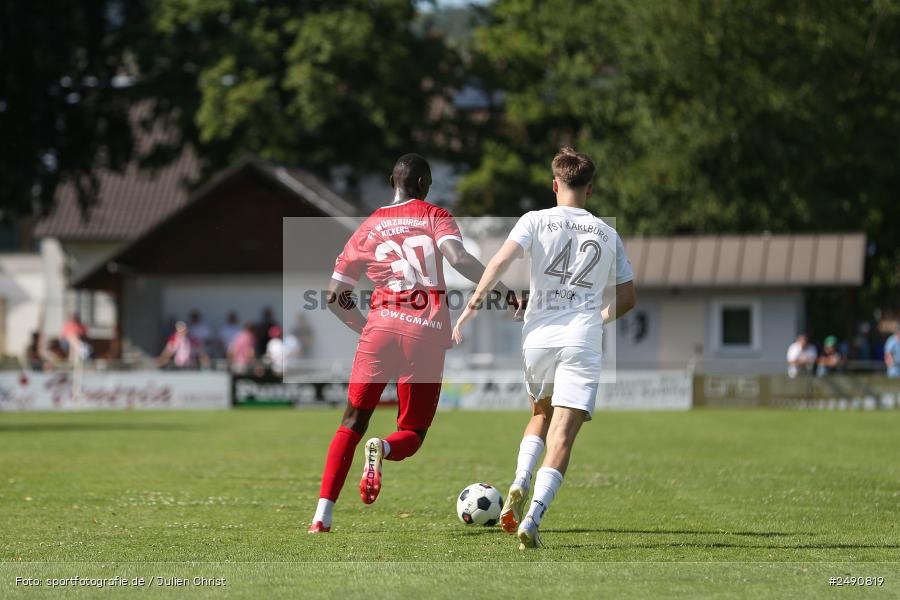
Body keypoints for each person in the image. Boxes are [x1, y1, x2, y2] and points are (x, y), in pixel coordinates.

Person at [308, 153, 517, 533]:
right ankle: (384, 449)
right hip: (423, 334)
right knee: (413, 433)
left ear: (392, 180)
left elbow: (334, 295)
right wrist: (502, 291)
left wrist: (365, 327)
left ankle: (322, 517)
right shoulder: (434, 215)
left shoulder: (366, 228)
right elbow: (458, 258)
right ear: (423, 184)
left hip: (379, 331)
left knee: (352, 422)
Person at [452, 147, 636, 549]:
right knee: (564, 436)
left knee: (539, 411)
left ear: (555, 185)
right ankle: (532, 518)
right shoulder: (607, 232)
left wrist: (470, 308)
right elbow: (628, 297)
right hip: (582, 337)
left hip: (537, 337)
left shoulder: (534, 220)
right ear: (590, 189)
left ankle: (518, 480)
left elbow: (499, 261)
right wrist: (597, 319)